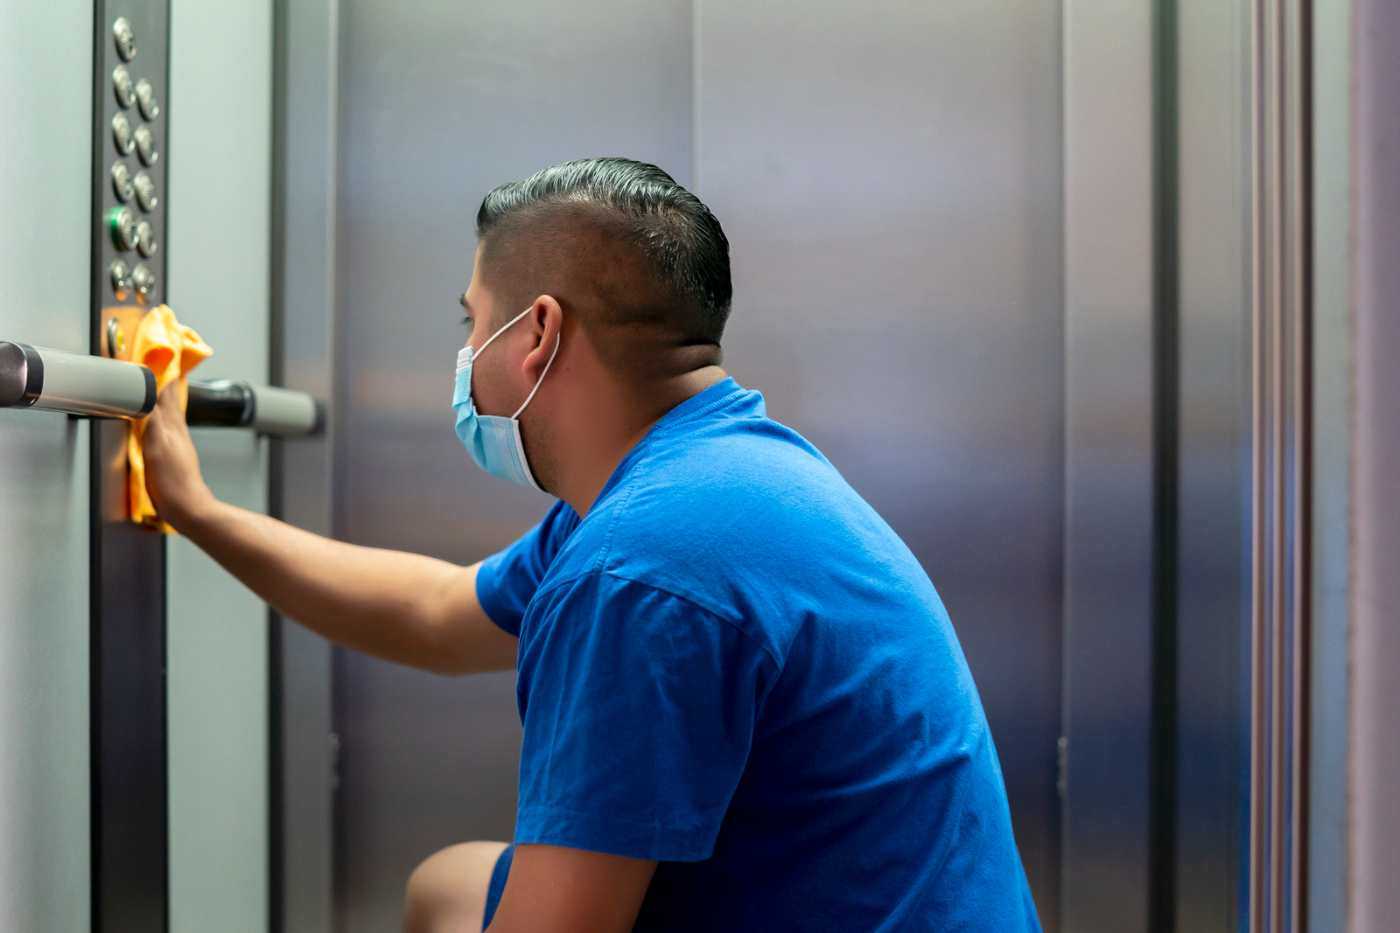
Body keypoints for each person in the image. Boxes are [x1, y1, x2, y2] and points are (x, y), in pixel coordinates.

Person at [142, 157, 1042, 932]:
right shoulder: (704, 474)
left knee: (461, 895)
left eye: (470, 323)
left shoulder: (644, 564)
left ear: (534, 333)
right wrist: (199, 511)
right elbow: (433, 614)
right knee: (454, 885)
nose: (464, 359)